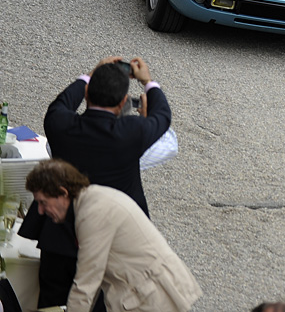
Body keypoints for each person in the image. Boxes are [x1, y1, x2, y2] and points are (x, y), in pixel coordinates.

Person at [22, 56, 174, 309]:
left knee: (51, 303)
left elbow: (62, 102)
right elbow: (163, 115)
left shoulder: (60, 124)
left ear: (87, 94)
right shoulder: (132, 132)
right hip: (111, 242)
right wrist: (148, 82)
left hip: (60, 236)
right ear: (123, 102)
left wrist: (88, 76)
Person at [26, 160, 202, 312]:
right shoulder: (89, 201)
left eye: (43, 202)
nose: (40, 211)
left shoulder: (92, 214)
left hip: (152, 298)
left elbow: (86, 282)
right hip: (146, 292)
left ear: (63, 193)